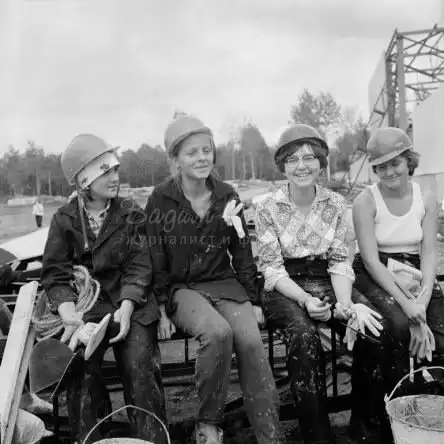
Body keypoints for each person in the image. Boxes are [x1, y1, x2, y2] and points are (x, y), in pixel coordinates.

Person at [145, 116, 283, 444]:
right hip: (182, 289)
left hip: (224, 283)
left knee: (251, 342)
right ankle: (208, 423)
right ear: (176, 159)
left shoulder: (227, 195)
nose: (201, 158)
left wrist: (253, 299)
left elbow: (242, 251)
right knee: (218, 333)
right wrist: (161, 309)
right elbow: (155, 258)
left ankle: (271, 436)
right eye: (191, 152)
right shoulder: (160, 199)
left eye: (206, 150)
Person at [255, 124, 382, 444]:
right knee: (304, 337)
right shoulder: (266, 206)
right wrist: (305, 300)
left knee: (372, 330)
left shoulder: (336, 204)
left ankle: (364, 425)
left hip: (328, 278)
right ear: (283, 165)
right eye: (293, 159)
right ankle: (317, 436)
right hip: (285, 286)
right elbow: (271, 268)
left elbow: (339, 260)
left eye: (310, 157)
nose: (302, 166)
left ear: (321, 162)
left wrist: (345, 304)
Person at [39, 134, 167, 443]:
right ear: (83, 181)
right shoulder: (64, 220)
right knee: (80, 368)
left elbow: (140, 264)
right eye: (105, 172)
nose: (114, 177)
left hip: (132, 303)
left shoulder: (130, 211)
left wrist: (127, 306)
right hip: (85, 311)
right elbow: (55, 274)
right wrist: (70, 316)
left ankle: (151, 438)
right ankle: (91, 438)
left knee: (139, 365)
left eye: (115, 169)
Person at [352, 127, 444, 441]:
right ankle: (381, 421)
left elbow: (428, 252)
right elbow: (371, 261)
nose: (390, 171)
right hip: (376, 270)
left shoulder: (426, 197)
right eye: (381, 166)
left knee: (439, 331)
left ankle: (427, 416)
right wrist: (408, 307)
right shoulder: (366, 201)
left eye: (396, 163)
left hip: (414, 270)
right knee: (396, 327)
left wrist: (424, 300)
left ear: (409, 161)